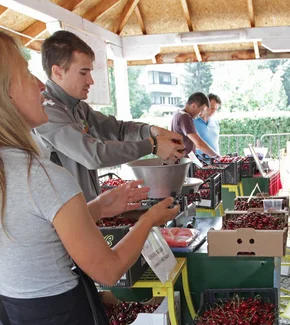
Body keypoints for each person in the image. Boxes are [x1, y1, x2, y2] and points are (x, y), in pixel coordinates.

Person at [0, 31, 179, 325]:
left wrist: (96, 207)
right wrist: (149, 220)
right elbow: (109, 270)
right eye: (26, 74)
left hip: (14, 321)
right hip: (59, 323)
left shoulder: (14, 170)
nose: (39, 83)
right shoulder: (46, 177)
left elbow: (31, 230)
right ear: (6, 93)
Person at [35, 30, 184, 201]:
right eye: (83, 73)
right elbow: (93, 155)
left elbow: (117, 130)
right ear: (58, 72)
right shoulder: (47, 111)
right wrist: (152, 146)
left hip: (85, 212)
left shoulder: (78, 108)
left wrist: (151, 131)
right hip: (62, 220)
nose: (91, 81)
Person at [170, 93, 219, 158]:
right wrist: (218, 157)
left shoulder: (178, 114)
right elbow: (199, 144)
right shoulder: (185, 117)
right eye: (201, 109)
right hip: (184, 161)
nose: (200, 113)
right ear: (193, 106)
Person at [194, 93, 221, 157]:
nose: (213, 111)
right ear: (204, 105)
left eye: (216, 109)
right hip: (200, 162)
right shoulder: (192, 122)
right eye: (212, 108)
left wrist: (218, 157)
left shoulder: (215, 123)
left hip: (216, 161)